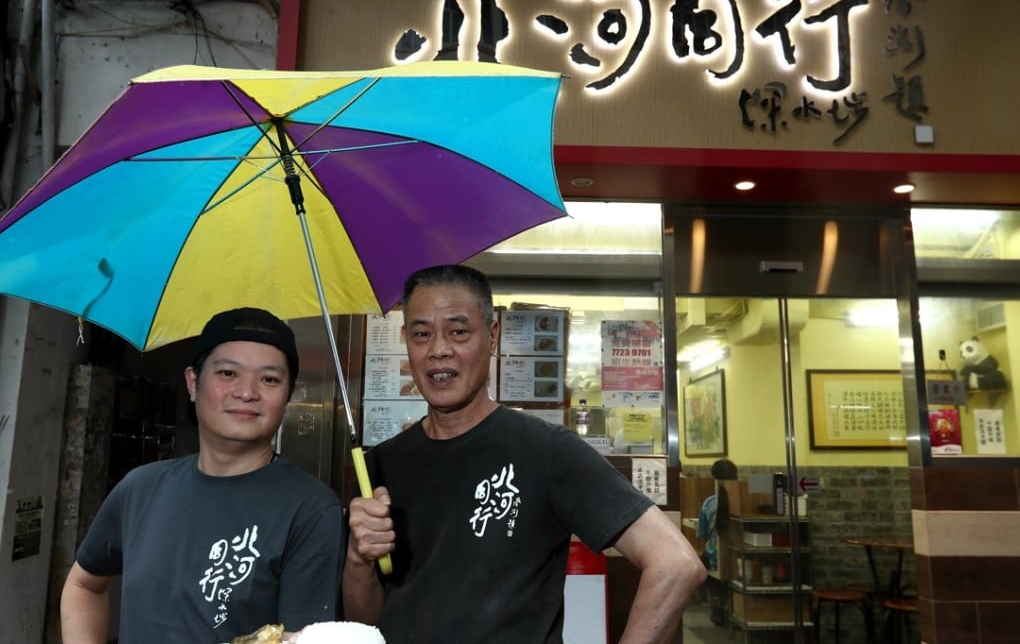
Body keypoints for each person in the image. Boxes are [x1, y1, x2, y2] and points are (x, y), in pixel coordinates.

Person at [342, 265, 706, 643]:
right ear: (405, 340)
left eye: (458, 331)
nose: (438, 350)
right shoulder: (378, 466)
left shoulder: (546, 450)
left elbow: (676, 564)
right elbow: (363, 622)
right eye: (421, 334)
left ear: (492, 335)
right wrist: (358, 558)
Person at [60, 307, 345, 643]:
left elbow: (303, 638)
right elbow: (83, 585)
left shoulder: (310, 510)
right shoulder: (140, 488)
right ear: (193, 383)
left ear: (289, 395)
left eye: (269, 379)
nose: (247, 391)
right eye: (227, 373)